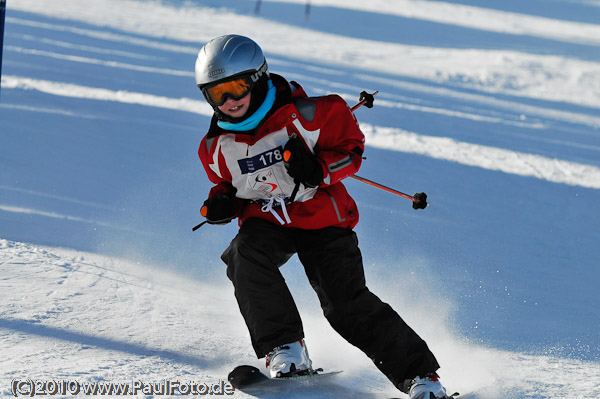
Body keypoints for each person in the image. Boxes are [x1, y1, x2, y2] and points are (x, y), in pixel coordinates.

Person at [194, 34, 450, 399]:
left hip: (322, 218)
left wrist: (319, 169)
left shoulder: (312, 114)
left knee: (343, 304)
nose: (230, 101)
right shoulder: (214, 147)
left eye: (236, 88)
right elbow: (227, 185)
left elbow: (352, 150)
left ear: (258, 78)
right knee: (243, 254)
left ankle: (421, 377)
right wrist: (220, 203)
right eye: (217, 93)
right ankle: (285, 350)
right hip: (268, 219)